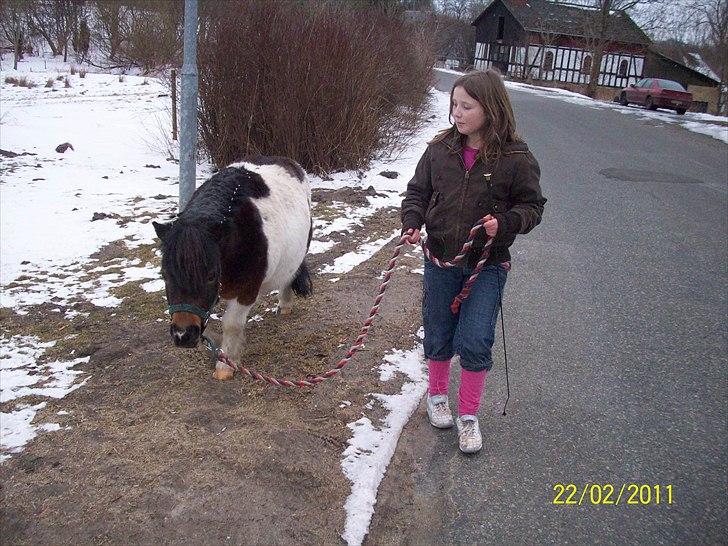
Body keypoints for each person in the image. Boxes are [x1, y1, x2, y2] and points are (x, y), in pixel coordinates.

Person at [401, 69, 546, 454]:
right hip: (441, 259)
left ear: (491, 108)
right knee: (438, 330)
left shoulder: (516, 158)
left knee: (476, 338)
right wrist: (412, 222)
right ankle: (436, 396)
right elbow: (417, 192)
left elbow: (532, 206)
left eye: (467, 106)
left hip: (488, 264)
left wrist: (507, 223)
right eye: (454, 105)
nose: (457, 113)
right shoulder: (439, 150)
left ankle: (469, 416)